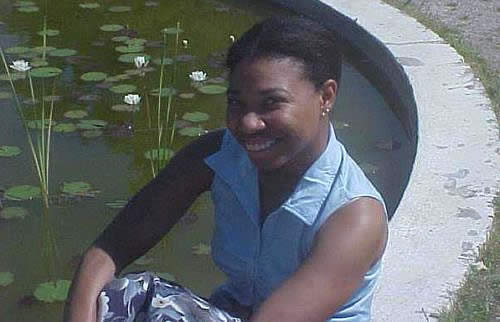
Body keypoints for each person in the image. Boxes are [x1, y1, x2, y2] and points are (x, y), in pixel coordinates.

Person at [64, 16, 388, 322]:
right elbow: (105, 253)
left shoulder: (354, 216)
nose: (248, 123)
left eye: (271, 103)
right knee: (123, 297)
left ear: (326, 96)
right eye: (236, 102)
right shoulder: (219, 156)